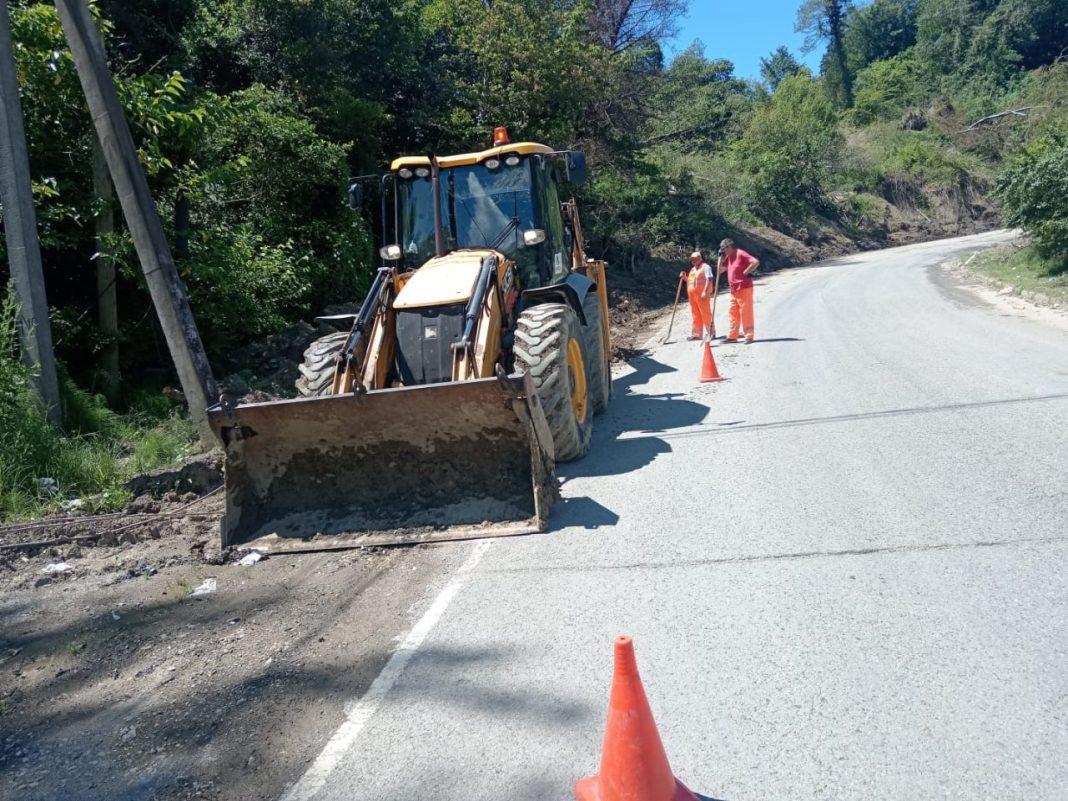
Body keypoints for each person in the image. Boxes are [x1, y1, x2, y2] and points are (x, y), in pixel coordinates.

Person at [716, 238, 759, 343]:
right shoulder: (729, 256)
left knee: (745, 312)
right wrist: (720, 258)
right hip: (734, 289)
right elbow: (720, 270)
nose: (722, 250)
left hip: (744, 287)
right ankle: (732, 336)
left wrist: (746, 271)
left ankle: (749, 335)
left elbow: (755, 262)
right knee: (733, 312)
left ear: (729, 246)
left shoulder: (741, 253)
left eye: (723, 248)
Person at [680, 250, 715, 340]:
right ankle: (697, 334)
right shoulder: (692, 270)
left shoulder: (706, 267)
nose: (693, 261)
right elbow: (690, 282)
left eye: (695, 259)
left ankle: (710, 333)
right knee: (695, 314)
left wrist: (704, 291)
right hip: (692, 296)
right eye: (691, 259)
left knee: (705, 314)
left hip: (702, 295)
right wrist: (684, 278)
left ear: (700, 259)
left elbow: (709, 279)